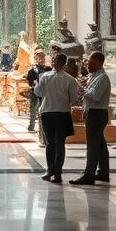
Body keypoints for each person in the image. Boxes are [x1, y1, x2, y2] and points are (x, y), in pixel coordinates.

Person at [34, 53, 80, 184]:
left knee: (50, 143)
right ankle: (58, 173)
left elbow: (38, 93)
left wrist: (37, 84)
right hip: (62, 113)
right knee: (60, 144)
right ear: (64, 64)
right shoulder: (70, 79)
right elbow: (74, 98)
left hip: (47, 112)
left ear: (53, 62)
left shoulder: (44, 77)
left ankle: (50, 171)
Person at [70, 51, 112, 186]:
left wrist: (82, 89)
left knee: (92, 146)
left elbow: (95, 96)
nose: (88, 65)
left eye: (91, 63)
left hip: (97, 114)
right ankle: (103, 172)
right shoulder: (95, 76)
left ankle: (89, 175)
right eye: (88, 62)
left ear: (99, 63)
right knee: (100, 144)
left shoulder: (103, 78)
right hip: (93, 112)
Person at [25, 49, 52, 133]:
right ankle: (31, 126)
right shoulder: (32, 70)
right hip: (35, 91)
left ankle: (42, 127)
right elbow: (30, 81)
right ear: (35, 57)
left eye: (42, 56)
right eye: (38, 56)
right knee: (33, 109)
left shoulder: (48, 69)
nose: (40, 58)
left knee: (42, 110)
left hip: (44, 93)